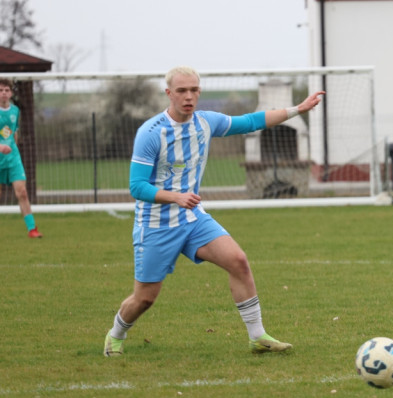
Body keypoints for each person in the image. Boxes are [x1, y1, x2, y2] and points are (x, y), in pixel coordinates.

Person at [103, 66, 325, 358]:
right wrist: (176, 197)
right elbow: (136, 187)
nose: (188, 96)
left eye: (194, 90)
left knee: (238, 261)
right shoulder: (151, 133)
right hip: (156, 224)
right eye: (182, 91)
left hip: (193, 219)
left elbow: (251, 121)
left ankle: (257, 337)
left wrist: (299, 109)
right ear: (169, 93)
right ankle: (116, 335)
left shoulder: (206, 122)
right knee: (145, 298)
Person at [0, 78, 42, 238]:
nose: (3, 93)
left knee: (22, 192)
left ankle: (32, 229)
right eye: (0, 90)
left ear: (11, 93)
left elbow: (13, 132)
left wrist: (12, 147)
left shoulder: (15, 111)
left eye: (6, 90)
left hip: (13, 158)